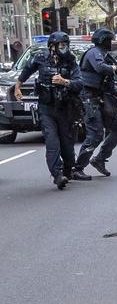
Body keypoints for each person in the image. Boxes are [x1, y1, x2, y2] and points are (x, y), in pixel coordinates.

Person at [15, 32, 82, 189]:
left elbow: (79, 83)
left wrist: (65, 82)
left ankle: (67, 169)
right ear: (52, 46)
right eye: (61, 45)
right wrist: (18, 86)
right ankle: (57, 175)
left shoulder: (71, 61)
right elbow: (26, 71)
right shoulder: (40, 58)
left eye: (66, 45)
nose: (64, 48)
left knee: (67, 145)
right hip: (46, 108)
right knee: (52, 142)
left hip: (66, 109)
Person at [72, 28, 117, 180]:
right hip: (89, 98)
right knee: (96, 134)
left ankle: (100, 159)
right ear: (103, 40)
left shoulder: (105, 56)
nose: (111, 43)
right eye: (109, 40)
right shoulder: (94, 53)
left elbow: (108, 85)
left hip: (100, 98)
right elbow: (99, 68)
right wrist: (116, 68)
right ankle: (77, 168)